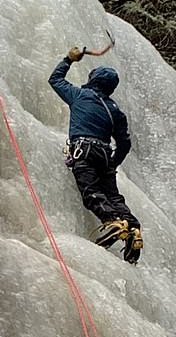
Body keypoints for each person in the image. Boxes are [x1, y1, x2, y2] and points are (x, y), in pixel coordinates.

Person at [48, 46, 143, 263]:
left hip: (84, 150)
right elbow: (125, 143)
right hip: (104, 153)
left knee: (91, 191)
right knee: (113, 196)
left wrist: (69, 59)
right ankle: (132, 230)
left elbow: (55, 80)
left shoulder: (80, 95)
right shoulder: (115, 110)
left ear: (93, 79)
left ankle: (111, 222)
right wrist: (112, 164)